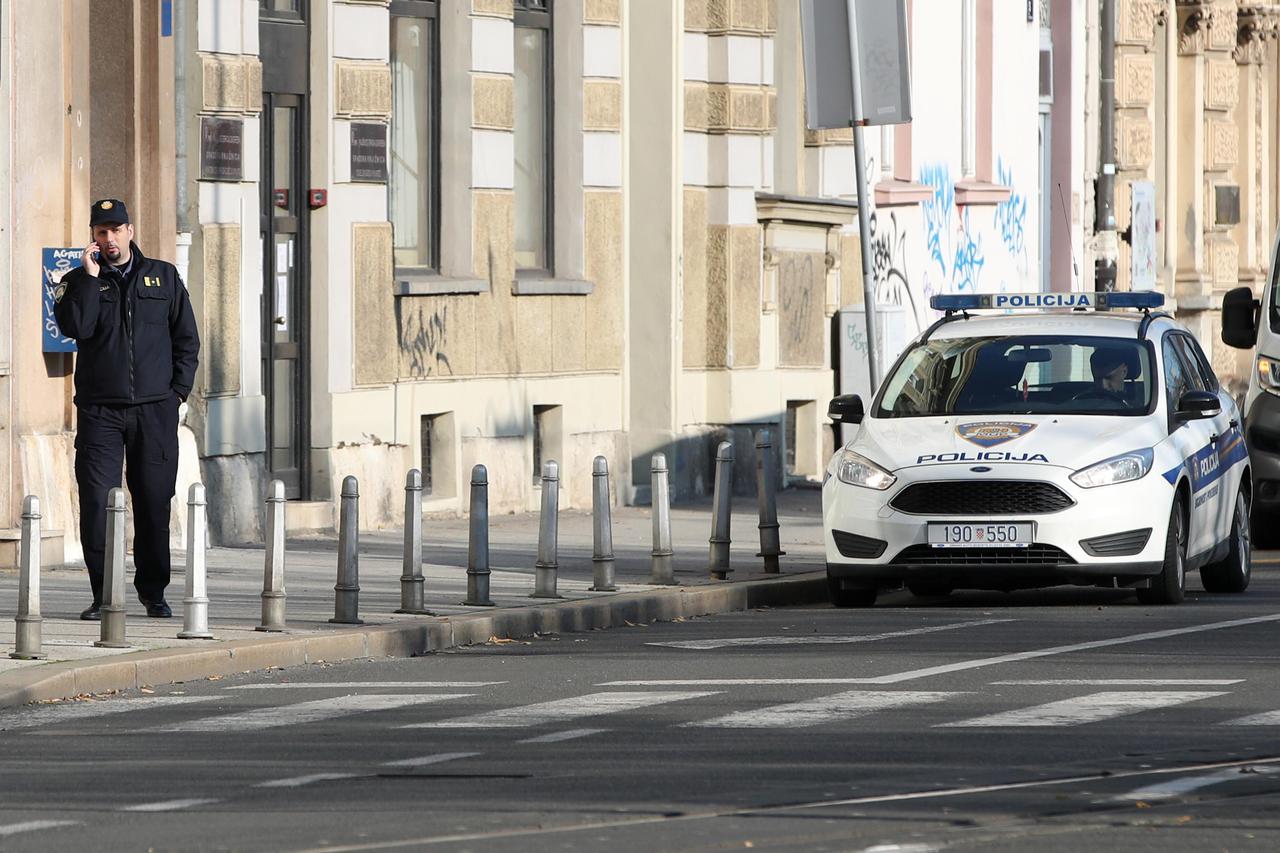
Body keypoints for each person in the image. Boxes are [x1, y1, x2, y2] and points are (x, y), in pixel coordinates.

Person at [53, 199, 200, 620]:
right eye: (101, 232)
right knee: (96, 503)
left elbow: (186, 339)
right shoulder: (77, 281)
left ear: (130, 231)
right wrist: (88, 279)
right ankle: (104, 595)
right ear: (93, 237)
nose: (110, 238)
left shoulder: (163, 277)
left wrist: (177, 393)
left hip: (154, 411)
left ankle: (154, 592)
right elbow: (75, 328)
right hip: (99, 411)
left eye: (116, 229)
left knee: (154, 501)